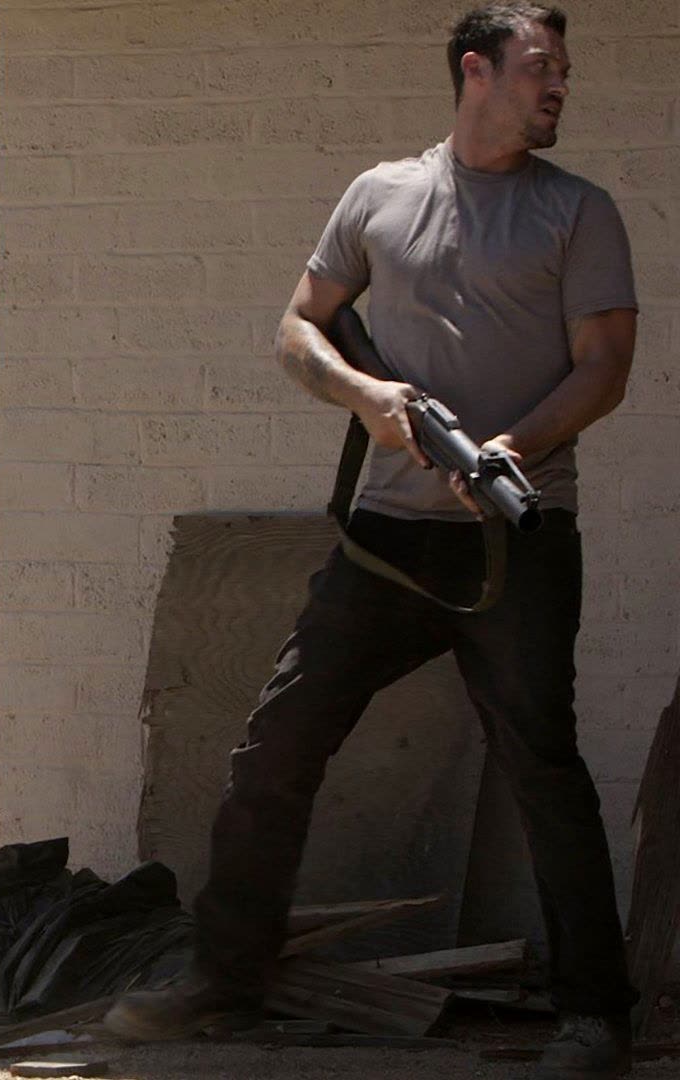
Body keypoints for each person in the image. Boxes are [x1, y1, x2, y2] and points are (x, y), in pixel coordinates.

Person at [103, 7, 639, 1077]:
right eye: (542, 66)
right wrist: (367, 395)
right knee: (275, 748)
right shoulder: (380, 194)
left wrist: (505, 449)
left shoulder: (579, 211)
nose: (560, 86)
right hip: (387, 542)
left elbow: (605, 369)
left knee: (543, 770)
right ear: (476, 71)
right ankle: (225, 979)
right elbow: (298, 325)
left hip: (517, 541)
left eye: (565, 71)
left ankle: (595, 1018)